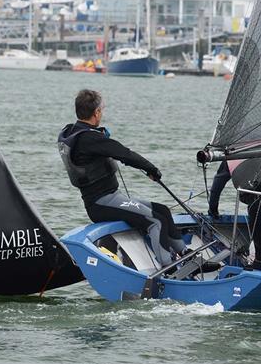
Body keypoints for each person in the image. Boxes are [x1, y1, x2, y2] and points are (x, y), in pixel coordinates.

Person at [58, 89, 185, 266]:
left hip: (111, 198)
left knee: (162, 210)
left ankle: (185, 253)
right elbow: (125, 154)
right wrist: (151, 169)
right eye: (101, 109)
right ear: (96, 113)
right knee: (156, 221)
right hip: (101, 203)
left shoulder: (73, 132)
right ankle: (169, 267)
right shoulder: (90, 139)